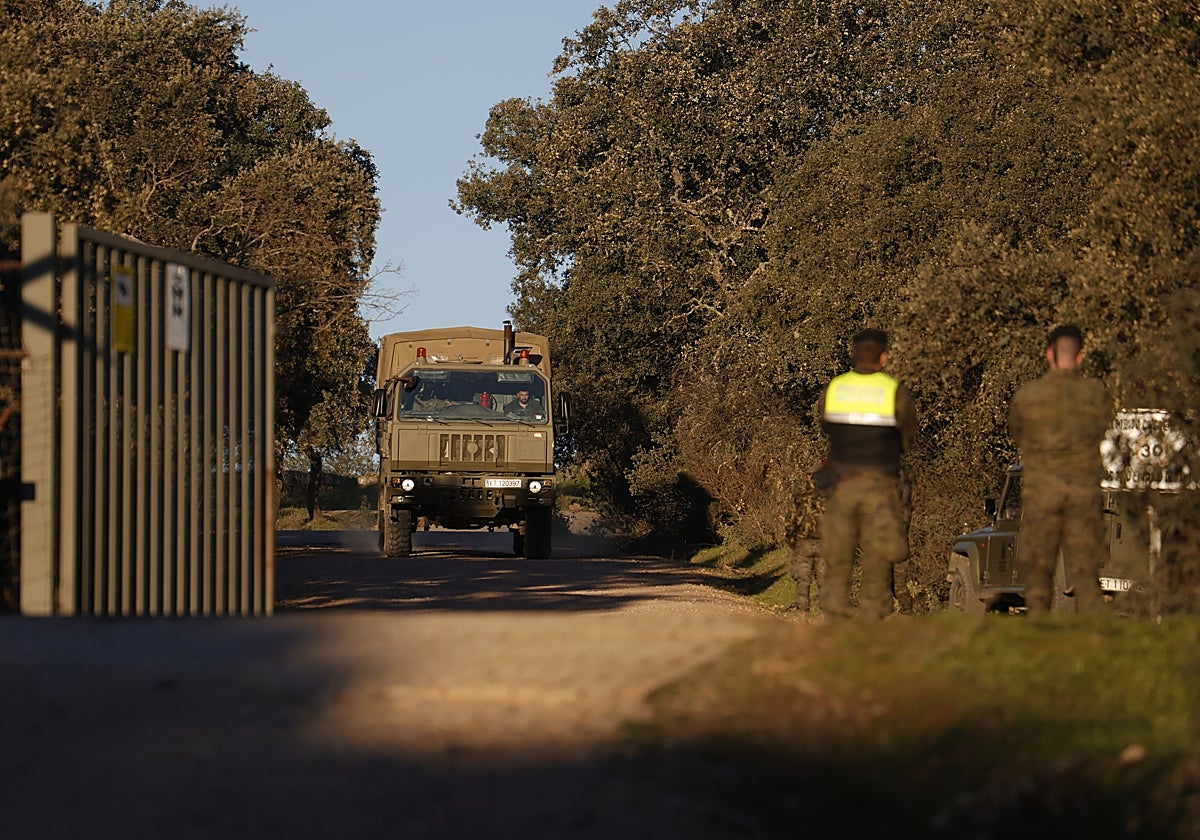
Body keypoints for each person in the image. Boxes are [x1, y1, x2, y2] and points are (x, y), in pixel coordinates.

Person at [1008, 324, 1113, 614]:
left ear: (1048, 354)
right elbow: (1104, 428)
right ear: (1080, 356)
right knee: (1086, 570)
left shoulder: (1029, 396)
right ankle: (1092, 635)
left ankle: (1041, 629)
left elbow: (1019, 433)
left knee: (1040, 569)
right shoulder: (1096, 394)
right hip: (1082, 492)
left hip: (1043, 492)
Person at [817, 329, 918, 619]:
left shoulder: (834, 388)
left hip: (842, 485)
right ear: (884, 357)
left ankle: (835, 626)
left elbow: (827, 427)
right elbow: (908, 437)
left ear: (853, 354)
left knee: (838, 560)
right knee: (877, 561)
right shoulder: (894, 391)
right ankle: (871, 628)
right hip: (880, 486)